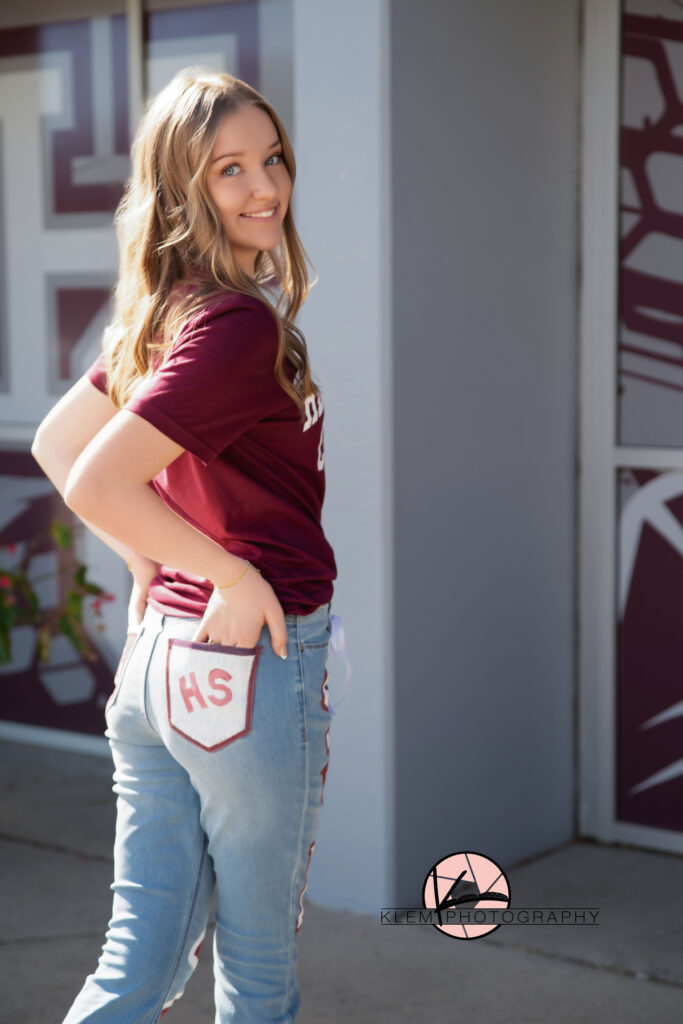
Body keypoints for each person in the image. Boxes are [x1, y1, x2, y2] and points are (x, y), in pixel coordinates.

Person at [31, 66, 338, 1023]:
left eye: (271, 159)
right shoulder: (234, 322)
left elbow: (55, 445)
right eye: (227, 171)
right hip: (251, 659)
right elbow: (90, 476)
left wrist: (150, 565)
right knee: (254, 971)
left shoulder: (159, 314)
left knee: (136, 964)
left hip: (161, 664)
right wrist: (225, 568)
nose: (264, 189)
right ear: (180, 190)